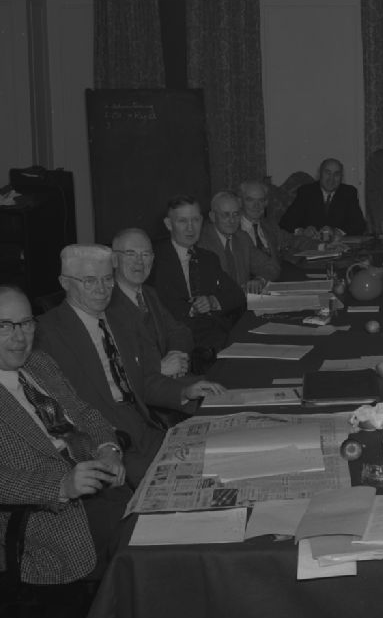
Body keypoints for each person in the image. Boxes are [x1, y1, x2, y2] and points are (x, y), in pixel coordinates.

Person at [0, 285, 131, 584]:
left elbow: (85, 413)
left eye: (26, 323)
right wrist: (61, 486)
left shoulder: (40, 363)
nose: (20, 337)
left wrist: (109, 448)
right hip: (46, 521)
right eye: (4, 326)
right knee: (148, 550)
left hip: (102, 488)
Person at [37, 244, 225, 485]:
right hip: (104, 443)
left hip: (144, 428)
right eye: (89, 281)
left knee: (217, 459)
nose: (101, 289)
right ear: (64, 282)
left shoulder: (121, 318)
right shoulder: (46, 335)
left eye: (107, 279)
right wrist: (106, 447)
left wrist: (185, 391)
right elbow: (59, 411)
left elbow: (143, 380)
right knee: (183, 481)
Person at [148, 194, 247, 353]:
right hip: (178, 344)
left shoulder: (208, 258)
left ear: (202, 221)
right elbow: (160, 306)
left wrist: (212, 301)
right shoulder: (154, 260)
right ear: (168, 224)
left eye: (195, 220)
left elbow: (237, 295)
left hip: (215, 338)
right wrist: (193, 309)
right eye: (182, 221)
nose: (190, 228)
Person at [110, 227, 193, 378]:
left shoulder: (149, 294)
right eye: (131, 254)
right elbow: (113, 364)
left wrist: (175, 356)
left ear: (153, 259)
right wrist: (159, 368)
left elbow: (179, 331)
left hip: (167, 383)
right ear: (114, 259)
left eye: (145, 254)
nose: (139, 261)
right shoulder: (106, 302)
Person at [198, 190, 280, 293]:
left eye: (236, 214)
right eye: (225, 215)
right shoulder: (201, 241)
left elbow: (272, 266)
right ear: (213, 216)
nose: (232, 220)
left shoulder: (242, 238)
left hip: (241, 300)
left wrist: (260, 280)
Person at [279, 158, 367, 237]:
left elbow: (360, 225)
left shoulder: (349, 192)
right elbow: (285, 223)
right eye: (328, 173)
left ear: (341, 177)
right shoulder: (306, 192)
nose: (331, 178)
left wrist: (337, 232)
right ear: (319, 174)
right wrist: (302, 231)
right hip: (311, 245)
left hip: (339, 245)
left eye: (336, 174)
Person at [238, 178, 315, 264]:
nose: (256, 205)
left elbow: (294, 241)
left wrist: (323, 246)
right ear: (240, 202)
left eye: (261, 200)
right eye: (250, 200)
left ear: (266, 203)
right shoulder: (233, 229)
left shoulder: (270, 227)